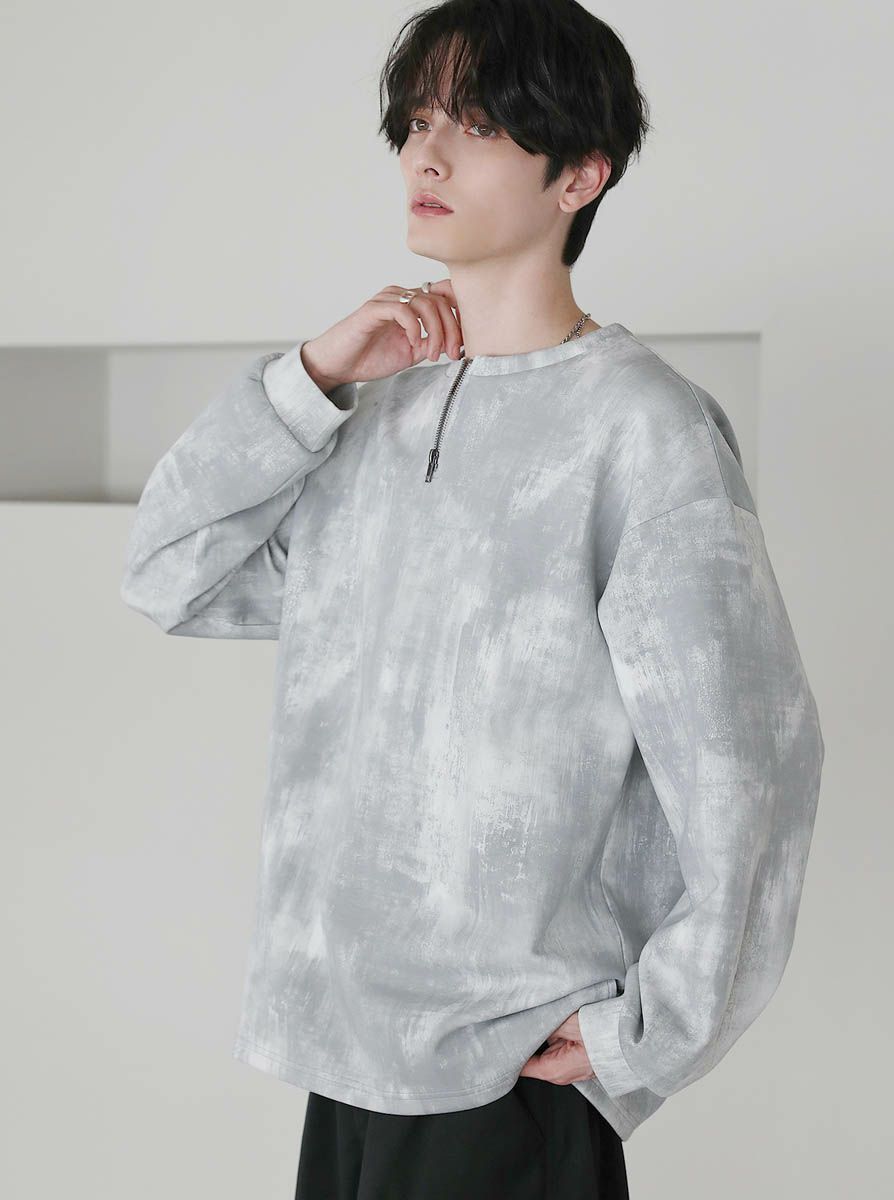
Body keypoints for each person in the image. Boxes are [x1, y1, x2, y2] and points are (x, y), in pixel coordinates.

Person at [120, 1, 825, 1197]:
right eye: (415, 122)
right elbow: (169, 572)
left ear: (580, 175)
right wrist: (311, 378)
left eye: (480, 125)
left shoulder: (640, 431)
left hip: (505, 1075)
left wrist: (647, 1032)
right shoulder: (374, 417)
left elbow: (750, 759)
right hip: (343, 1057)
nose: (427, 156)